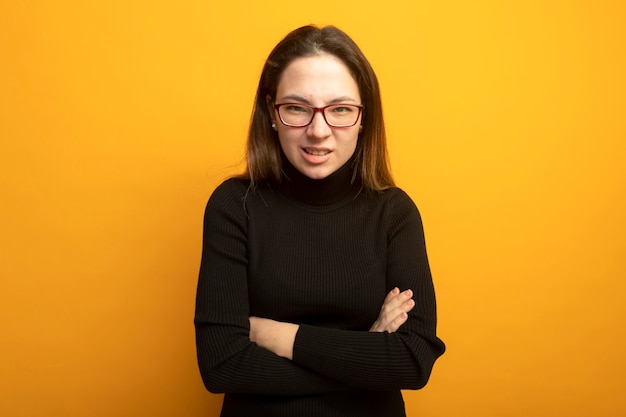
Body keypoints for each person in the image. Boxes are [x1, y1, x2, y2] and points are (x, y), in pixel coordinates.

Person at [194, 24, 445, 417]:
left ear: (364, 119)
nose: (318, 131)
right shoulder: (234, 205)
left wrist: (277, 336)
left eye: (340, 109)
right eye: (297, 108)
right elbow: (222, 366)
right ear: (272, 113)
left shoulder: (394, 213)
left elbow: (412, 360)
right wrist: (365, 353)